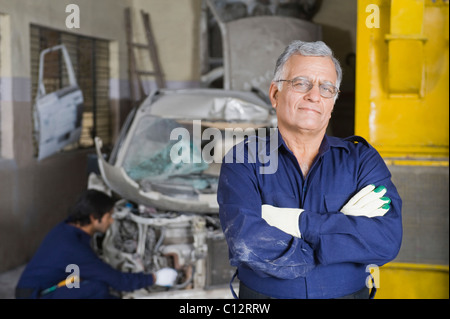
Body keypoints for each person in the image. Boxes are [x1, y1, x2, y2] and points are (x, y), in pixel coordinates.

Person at [217, 40, 402, 299]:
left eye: (327, 88)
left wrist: (298, 223)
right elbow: (246, 242)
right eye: (301, 83)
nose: (314, 95)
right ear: (275, 94)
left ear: (332, 103)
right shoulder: (243, 159)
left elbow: (385, 240)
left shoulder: (362, 160)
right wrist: (334, 238)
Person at [15, 189, 177, 299]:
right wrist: (154, 278)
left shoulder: (66, 228)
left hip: (39, 287)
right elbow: (118, 281)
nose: (112, 220)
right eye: (109, 216)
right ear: (94, 217)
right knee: (96, 288)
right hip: (34, 295)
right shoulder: (72, 248)